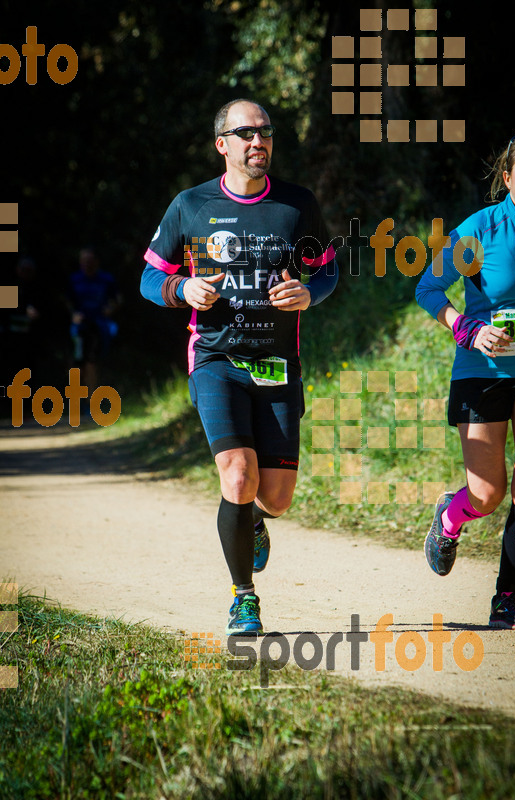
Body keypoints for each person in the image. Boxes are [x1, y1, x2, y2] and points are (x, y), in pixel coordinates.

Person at [140, 99, 338, 634]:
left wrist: (308, 293)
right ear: (221, 144)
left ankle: (251, 519)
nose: (259, 142)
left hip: (277, 364)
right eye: (246, 133)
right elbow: (148, 279)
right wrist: (182, 287)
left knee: (275, 497)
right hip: (216, 360)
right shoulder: (191, 205)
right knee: (238, 474)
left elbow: (327, 272)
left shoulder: (297, 205)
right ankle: (243, 599)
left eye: (266, 133)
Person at [416, 131, 515, 630]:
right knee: (487, 494)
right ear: (507, 177)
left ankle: (505, 598)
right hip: (482, 372)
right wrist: (465, 327)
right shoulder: (480, 229)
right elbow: (428, 287)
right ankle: (451, 516)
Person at [68, 247, 121, 403]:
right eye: (83, 261)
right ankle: (77, 399)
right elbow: (66, 301)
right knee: (78, 361)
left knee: (91, 360)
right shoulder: (74, 279)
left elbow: (118, 300)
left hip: (100, 325)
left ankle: (91, 401)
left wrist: (110, 309)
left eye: (89, 261)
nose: (86, 264)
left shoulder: (106, 279)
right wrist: (73, 315)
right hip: (79, 327)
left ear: (96, 262)